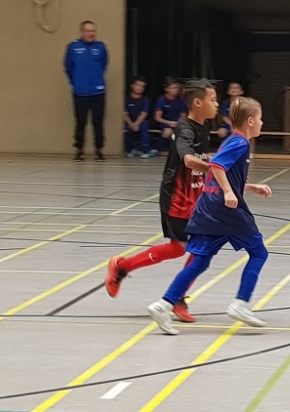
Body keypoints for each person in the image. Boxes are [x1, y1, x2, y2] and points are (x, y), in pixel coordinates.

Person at [147, 96, 272, 336]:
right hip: (225, 210)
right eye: (259, 118)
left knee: (200, 260)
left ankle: (163, 305)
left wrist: (249, 187)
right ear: (249, 121)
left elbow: (220, 171)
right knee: (258, 252)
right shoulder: (240, 143)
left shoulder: (232, 141)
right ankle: (241, 303)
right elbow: (216, 167)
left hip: (209, 208)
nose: (262, 123)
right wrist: (229, 192)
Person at [106, 80, 219, 323]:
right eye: (213, 99)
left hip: (196, 194)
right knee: (183, 248)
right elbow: (189, 160)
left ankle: (175, 295)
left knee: (197, 248)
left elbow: (201, 158)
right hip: (178, 196)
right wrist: (218, 168)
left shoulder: (204, 126)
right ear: (197, 103)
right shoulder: (185, 129)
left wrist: (215, 167)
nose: (217, 104)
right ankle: (123, 268)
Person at [64, 20, 109, 162]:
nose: (91, 33)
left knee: (98, 122)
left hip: (98, 92)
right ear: (82, 32)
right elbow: (68, 67)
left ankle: (99, 150)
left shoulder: (100, 47)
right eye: (89, 31)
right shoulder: (73, 47)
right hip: (80, 92)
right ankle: (79, 150)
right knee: (80, 122)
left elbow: (104, 64)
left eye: (93, 31)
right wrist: (76, 83)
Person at [123, 76, 156, 158]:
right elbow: (124, 113)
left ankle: (145, 150)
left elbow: (144, 113)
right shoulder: (126, 99)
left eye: (142, 86)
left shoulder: (145, 99)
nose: (140, 88)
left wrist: (136, 124)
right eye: (137, 85)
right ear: (132, 85)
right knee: (124, 129)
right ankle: (131, 149)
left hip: (141, 121)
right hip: (129, 121)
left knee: (144, 126)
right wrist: (131, 124)